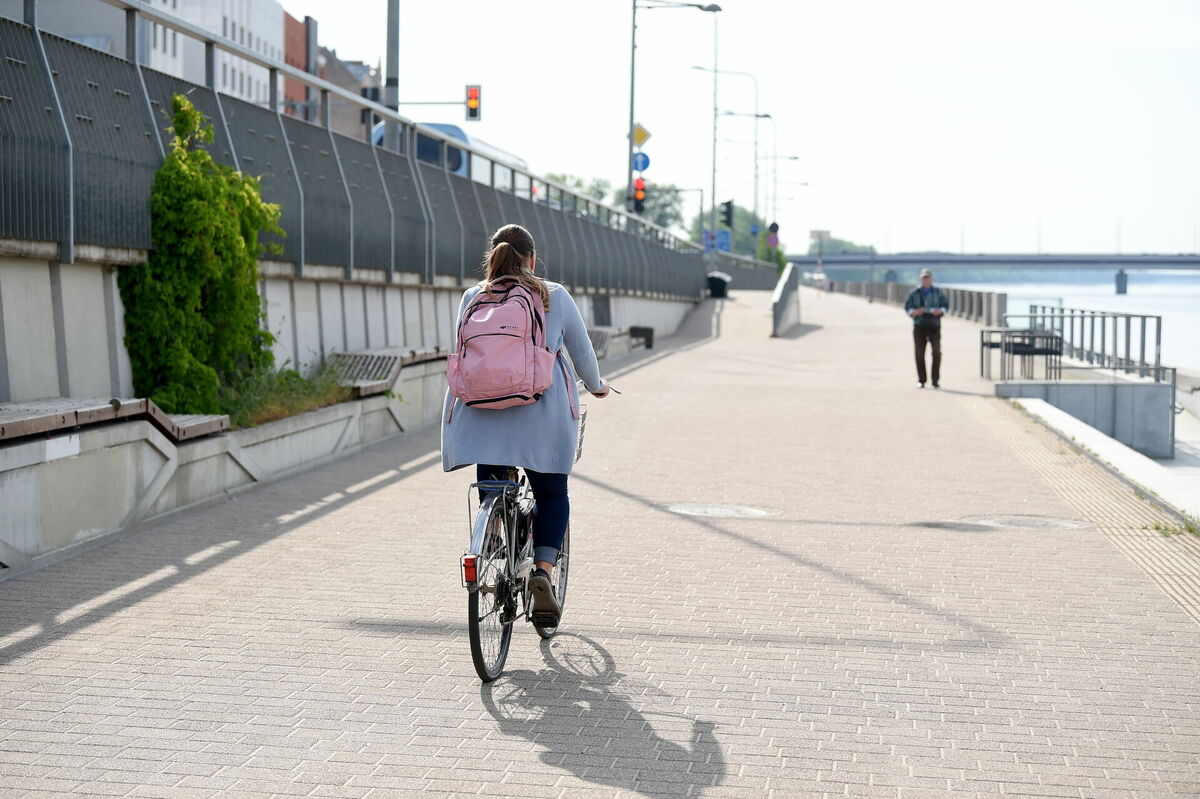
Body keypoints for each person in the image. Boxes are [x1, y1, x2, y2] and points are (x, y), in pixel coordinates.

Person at [442, 224, 610, 627]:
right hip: (541, 411)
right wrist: (597, 386)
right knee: (552, 493)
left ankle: (494, 528)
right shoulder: (555, 295)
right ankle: (543, 572)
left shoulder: (473, 296)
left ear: (494, 256)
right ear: (532, 259)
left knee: (496, 478)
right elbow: (583, 355)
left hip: (481, 412)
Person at [903, 268, 949, 388]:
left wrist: (941, 310)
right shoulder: (915, 292)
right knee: (919, 353)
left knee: (936, 353)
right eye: (924, 278)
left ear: (931, 279)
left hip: (934, 325)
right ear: (921, 279)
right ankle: (921, 380)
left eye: (928, 278)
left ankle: (935, 380)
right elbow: (907, 307)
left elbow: (945, 305)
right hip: (919, 325)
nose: (926, 280)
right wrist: (914, 312)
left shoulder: (938, 292)